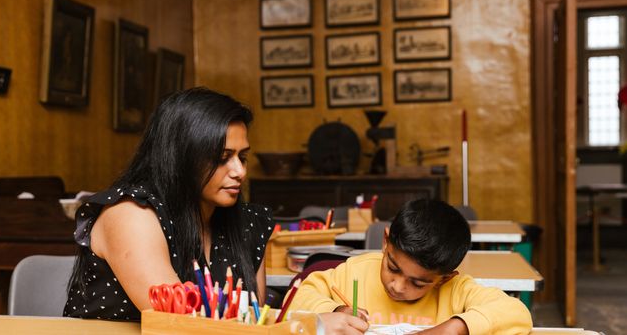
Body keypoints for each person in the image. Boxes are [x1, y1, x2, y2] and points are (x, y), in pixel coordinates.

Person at [63, 87, 274, 321]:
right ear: (181, 158)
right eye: (222, 158)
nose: (240, 171)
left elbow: (254, 321)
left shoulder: (248, 223)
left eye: (242, 157)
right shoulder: (132, 215)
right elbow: (178, 324)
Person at [285, 198, 533, 335]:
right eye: (393, 267)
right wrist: (334, 310)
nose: (397, 286)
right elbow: (298, 297)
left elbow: (518, 314)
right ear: (385, 242)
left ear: (444, 279)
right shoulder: (354, 272)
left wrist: (457, 327)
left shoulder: (456, 291)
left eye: (417, 282)